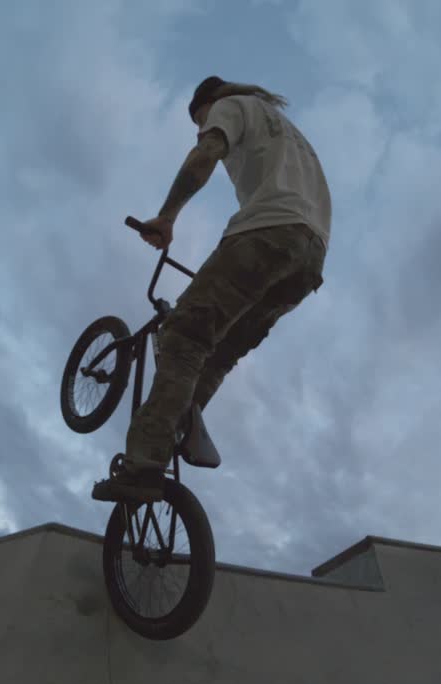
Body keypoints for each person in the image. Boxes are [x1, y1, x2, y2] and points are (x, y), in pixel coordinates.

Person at [92, 76, 332, 503]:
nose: (200, 128)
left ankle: (142, 464)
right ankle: (180, 425)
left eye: (198, 120)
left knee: (184, 335)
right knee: (220, 352)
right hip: (310, 257)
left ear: (207, 103)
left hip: (268, 231)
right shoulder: (290, 133)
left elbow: (205, 154)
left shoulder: (231, 106)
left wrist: (166, 217)